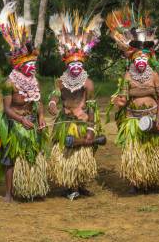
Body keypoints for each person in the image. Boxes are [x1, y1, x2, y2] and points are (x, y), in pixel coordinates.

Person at [106, 6, 159, 193]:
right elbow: (124, 97)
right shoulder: (128, 76)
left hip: (152, 117)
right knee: (137, 150)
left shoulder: (154, 75)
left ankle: (151, 179)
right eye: (137, 58)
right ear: (133, 60)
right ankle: (137, 181)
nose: (141, 61)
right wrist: (119, 103)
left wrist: (158, 119)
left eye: (143, 58)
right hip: (133, 119)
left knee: (152, 149)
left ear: (148, 58)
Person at [0, 1, 49, 202]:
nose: (32, 67)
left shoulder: (34, 81)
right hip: (14, 122)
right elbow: (6, 109)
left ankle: (32, 188)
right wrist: (21, 120)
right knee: (11, 157)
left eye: (34, 63)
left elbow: (38, 101)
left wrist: (41, 117)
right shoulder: (9, 83)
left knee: (33, 152)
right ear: (20, 65)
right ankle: (9, 193)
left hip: (31, 119)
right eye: (29, 64)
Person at [47, 10, 103, 199]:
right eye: (73, 65)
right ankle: (69, 186)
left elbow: (92, 107)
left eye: (79, 64)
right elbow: (54, 97)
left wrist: (90, 131)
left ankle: (80, 184)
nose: (76, 68)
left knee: (83, 155)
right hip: (65, 123)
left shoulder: (88, 83)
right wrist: (52, 104)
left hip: (82, 121)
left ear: (83, 64)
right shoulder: (61, 82)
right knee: (67, 155)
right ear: (67, 65)